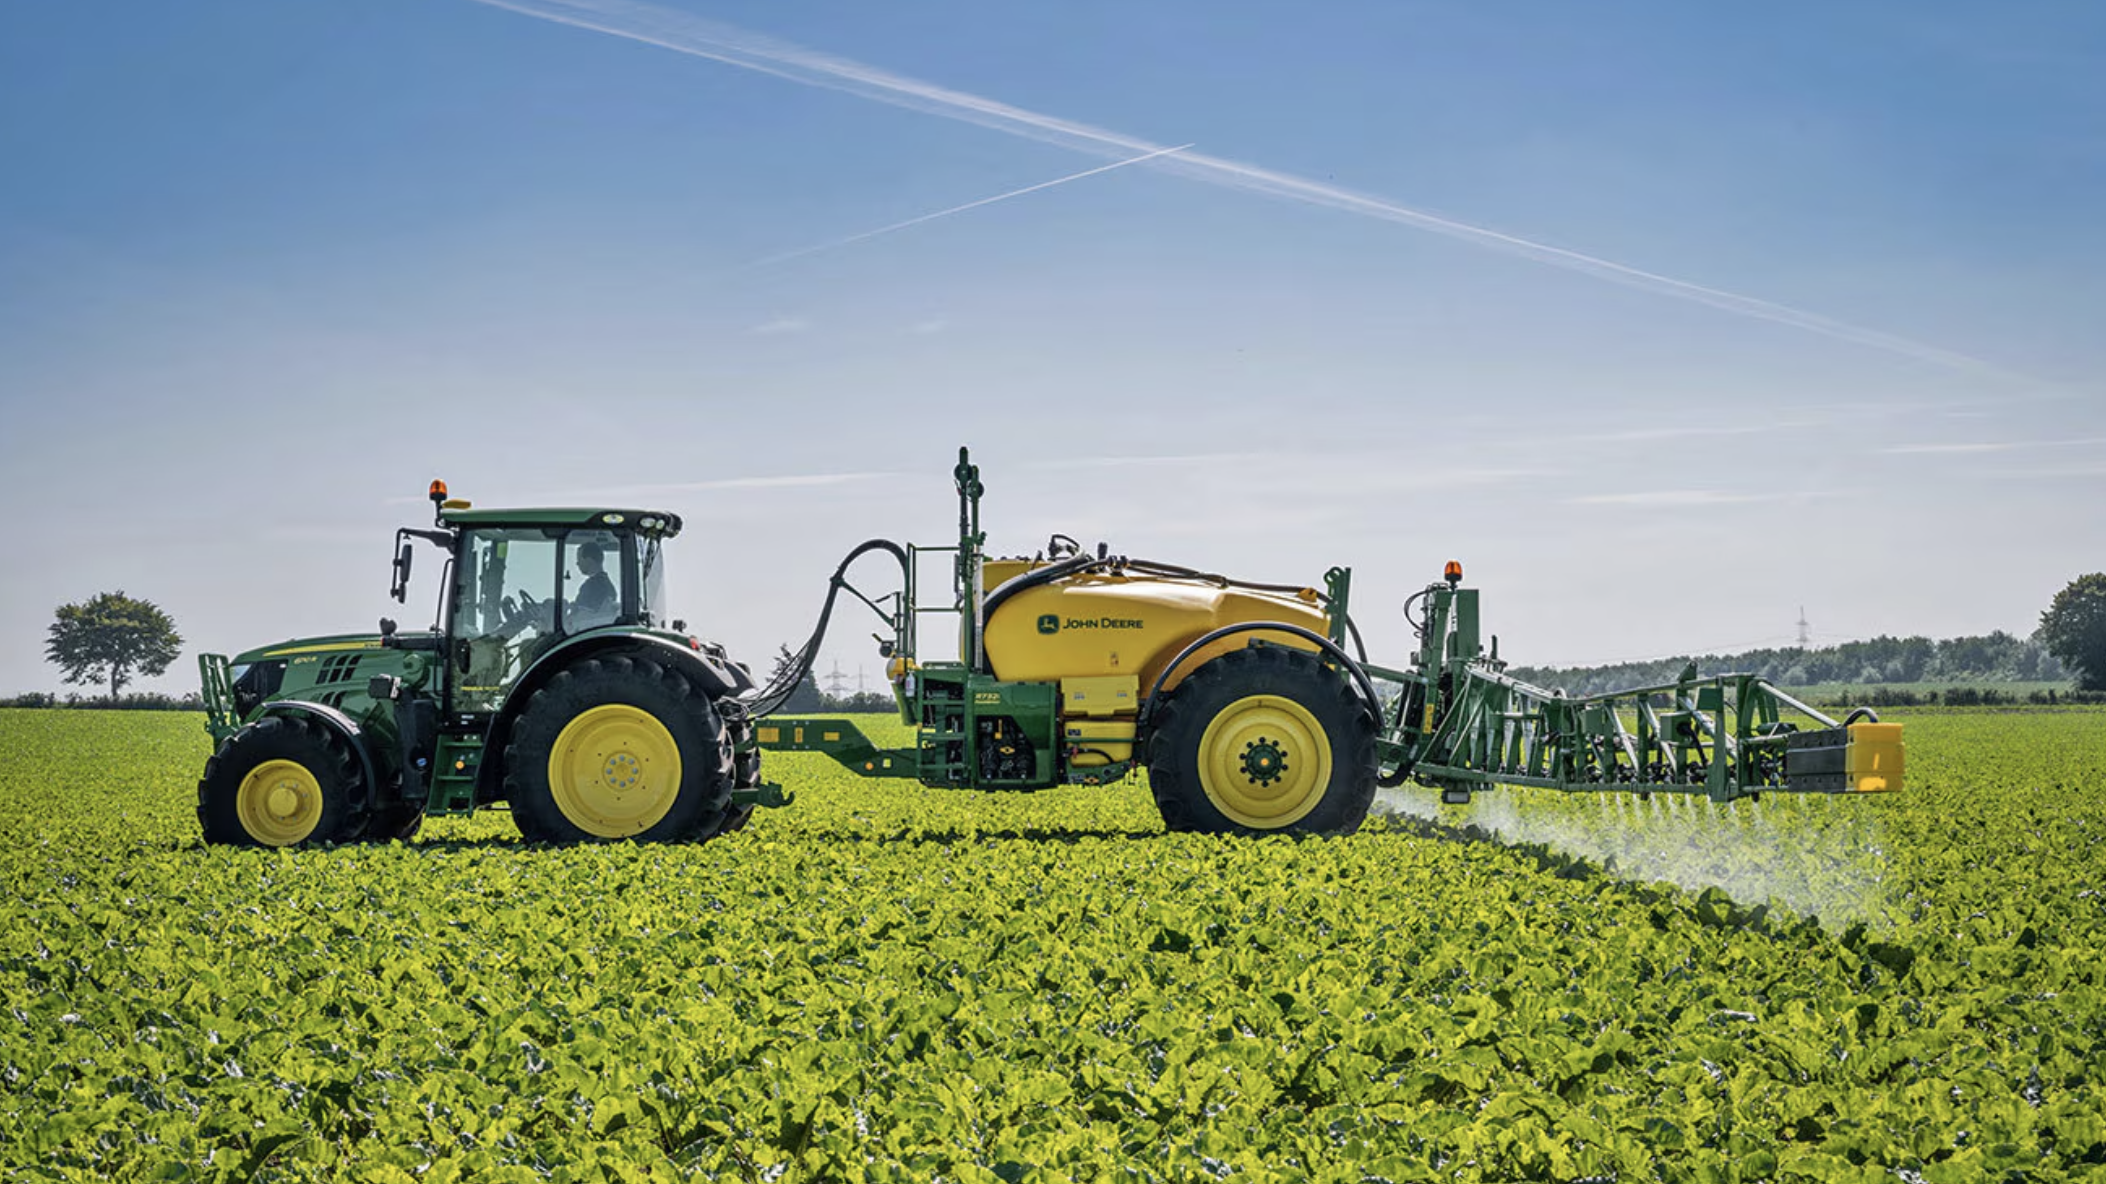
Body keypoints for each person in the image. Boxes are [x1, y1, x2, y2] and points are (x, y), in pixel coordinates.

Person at [570, 541, 618, 630]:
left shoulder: (591, 586)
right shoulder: (609, 586)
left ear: (589, 560)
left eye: (579, 560)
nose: (577, 564)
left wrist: (573, 610)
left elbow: (581, 617)